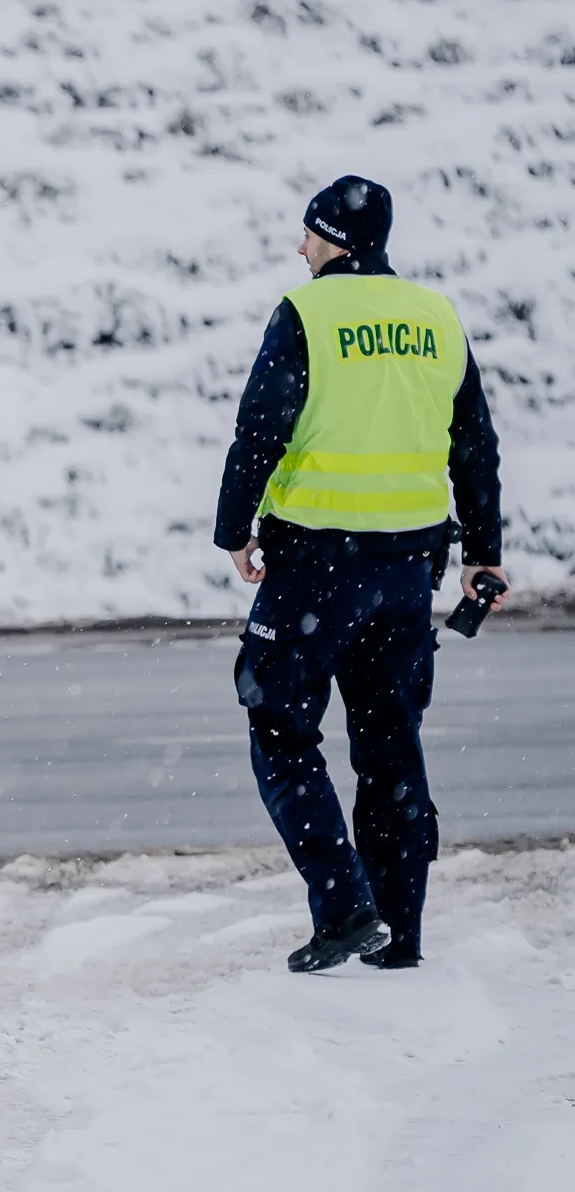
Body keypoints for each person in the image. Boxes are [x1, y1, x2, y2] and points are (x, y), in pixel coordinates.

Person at [214, 176, 506, 973]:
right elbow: (473, 442)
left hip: (315, 566)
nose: (298, 247)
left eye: (307, 234)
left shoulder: (306, 312)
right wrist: (485, 549)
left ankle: (345, 908)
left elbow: (261, 427)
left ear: (333, 241)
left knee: (278, 726)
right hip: (409, 568)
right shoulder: (435, 317)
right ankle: (399, 934)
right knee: (390, 747)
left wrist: (232, 531)